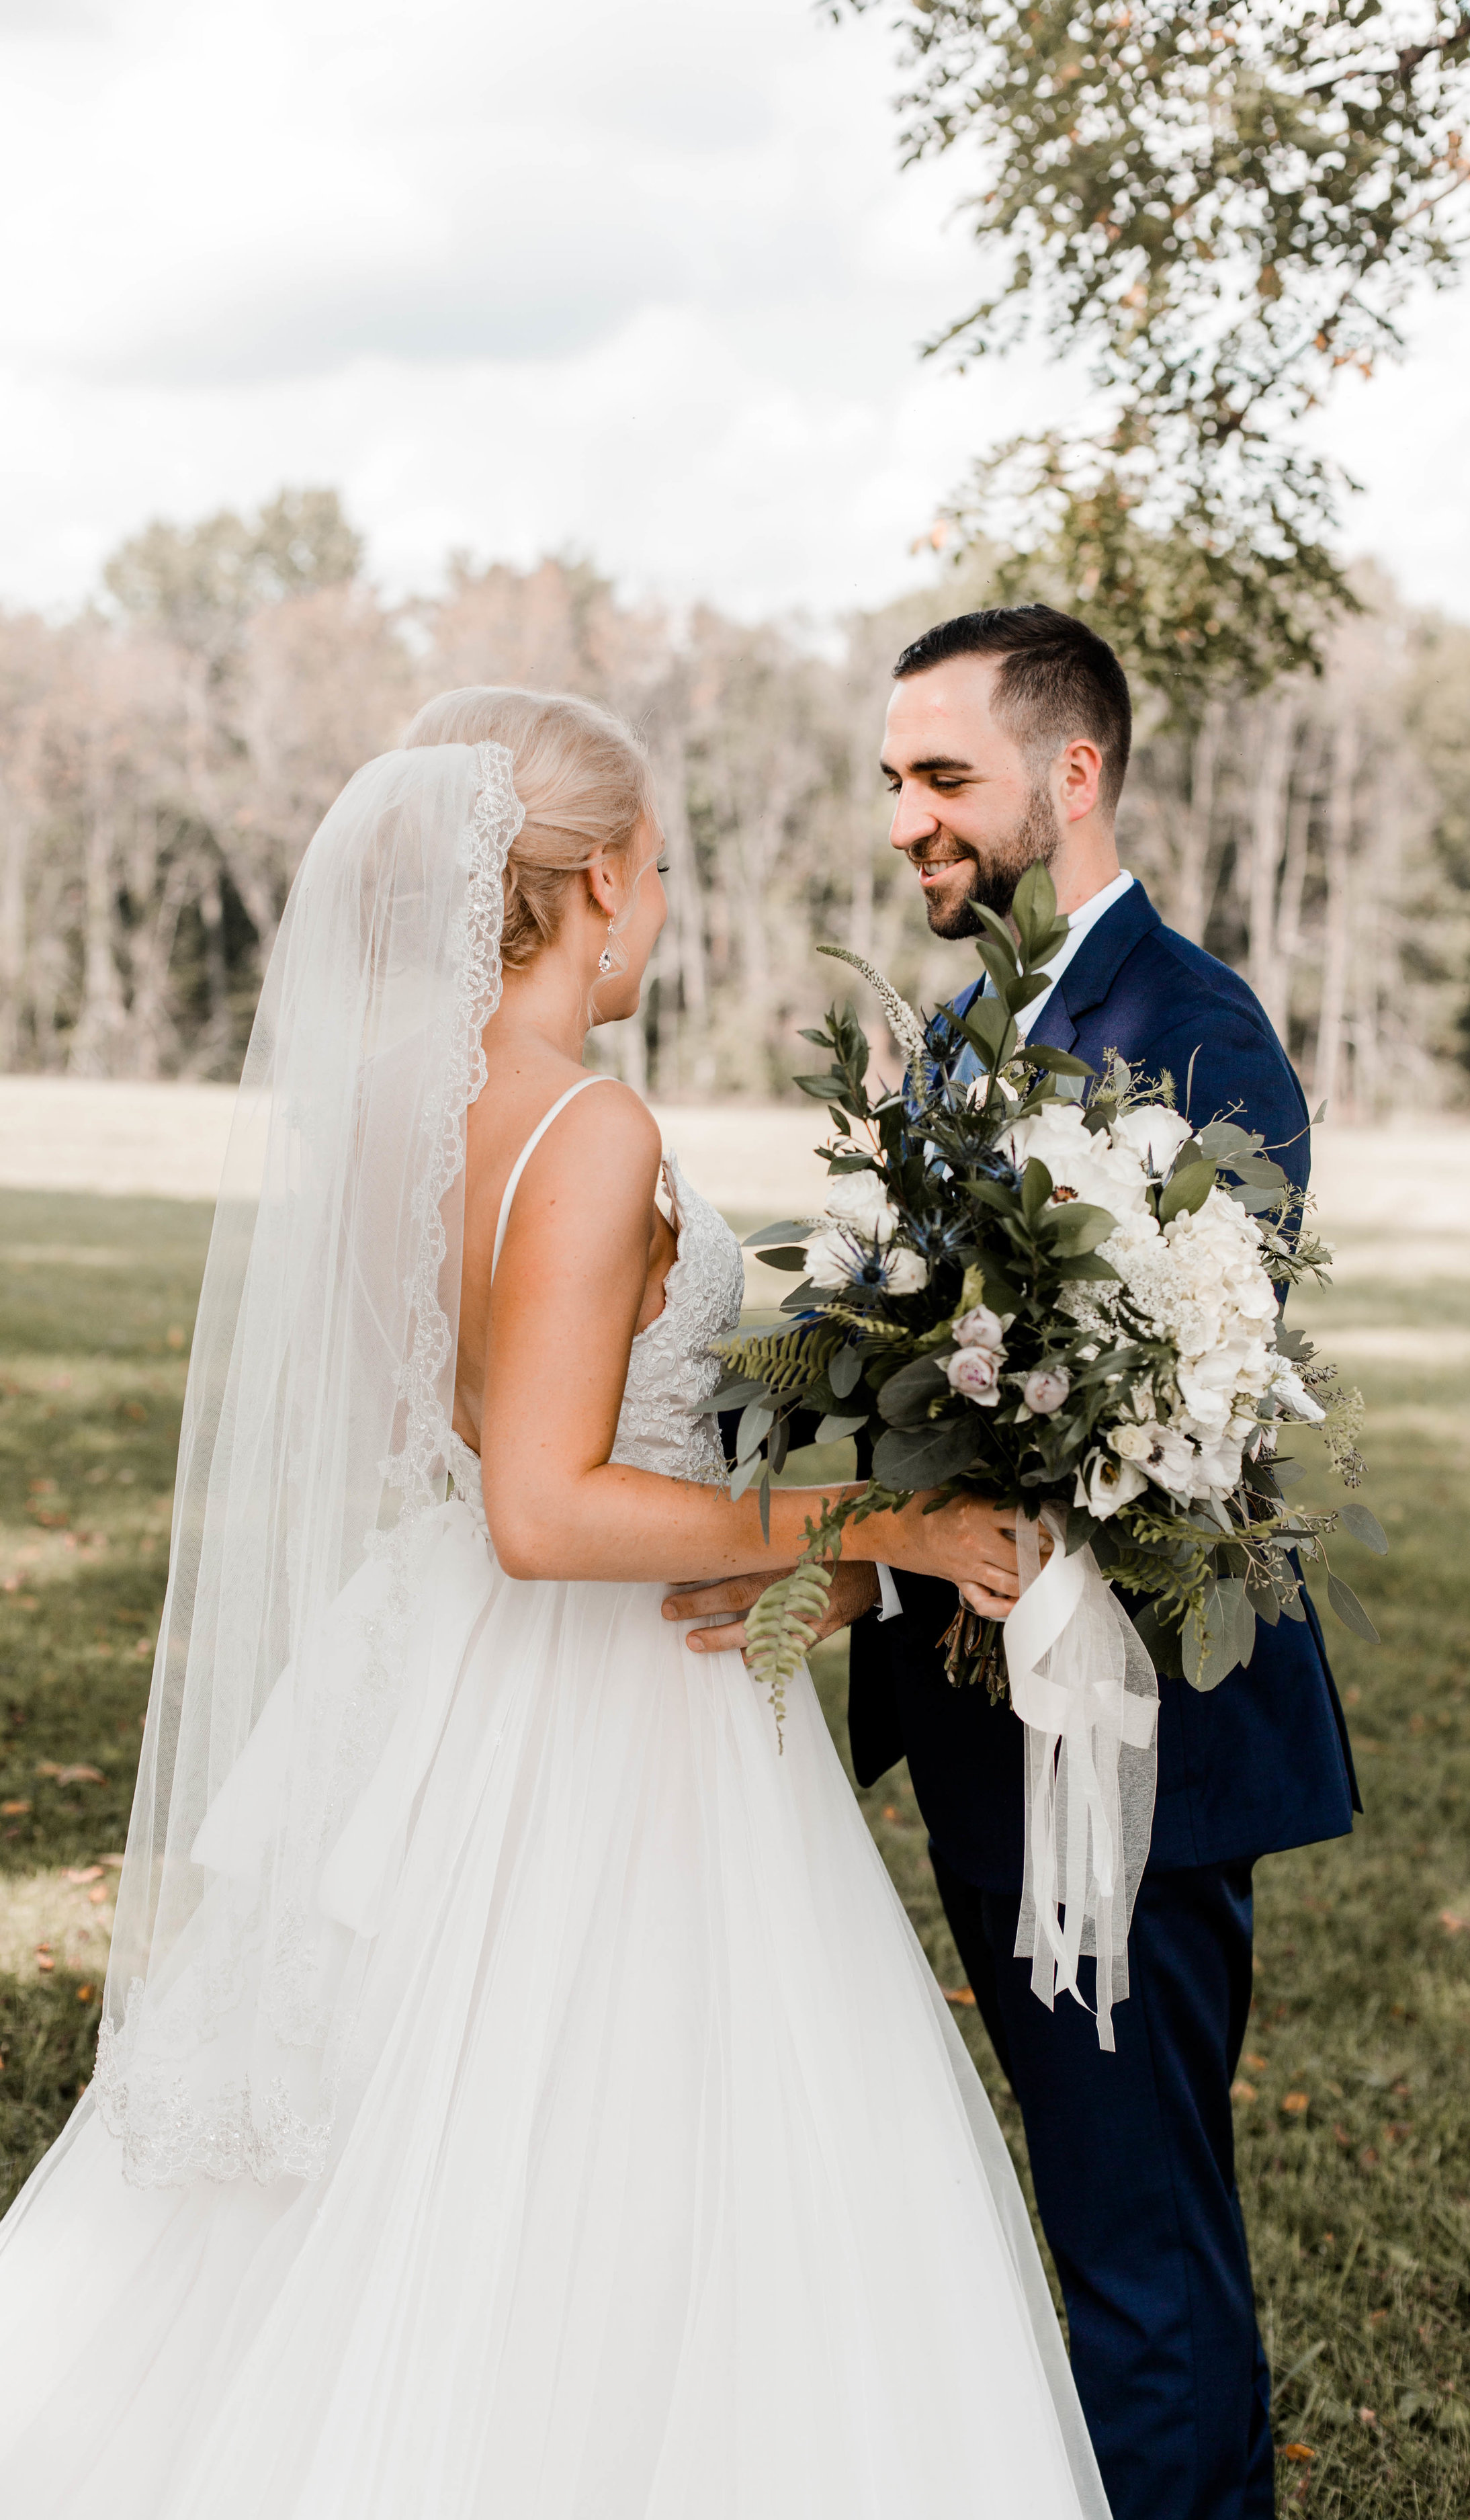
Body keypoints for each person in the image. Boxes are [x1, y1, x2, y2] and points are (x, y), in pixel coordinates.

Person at [0, 689, 1112, 2519]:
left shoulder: (376, 1116)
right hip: (601, 1709)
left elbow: (453, 1445)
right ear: (595, 882)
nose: (661, 906)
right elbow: (543, 1504)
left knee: (366, 2164)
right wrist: (882, 1523)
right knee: (622, 2156)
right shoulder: (586, 1129)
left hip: (415, 1672)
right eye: (659, 869)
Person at [677, 607, 1360, 2520]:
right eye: (891, 779)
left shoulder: (1190, 1030)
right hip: (994, 1739)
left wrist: (866, 1549)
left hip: (1132, 1751)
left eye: (941, 777)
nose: (903, 818)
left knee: (1138, 2235)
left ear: (1068, 778)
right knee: (1097, 2209)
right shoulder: (967, 1034)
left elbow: (1192, 1411)